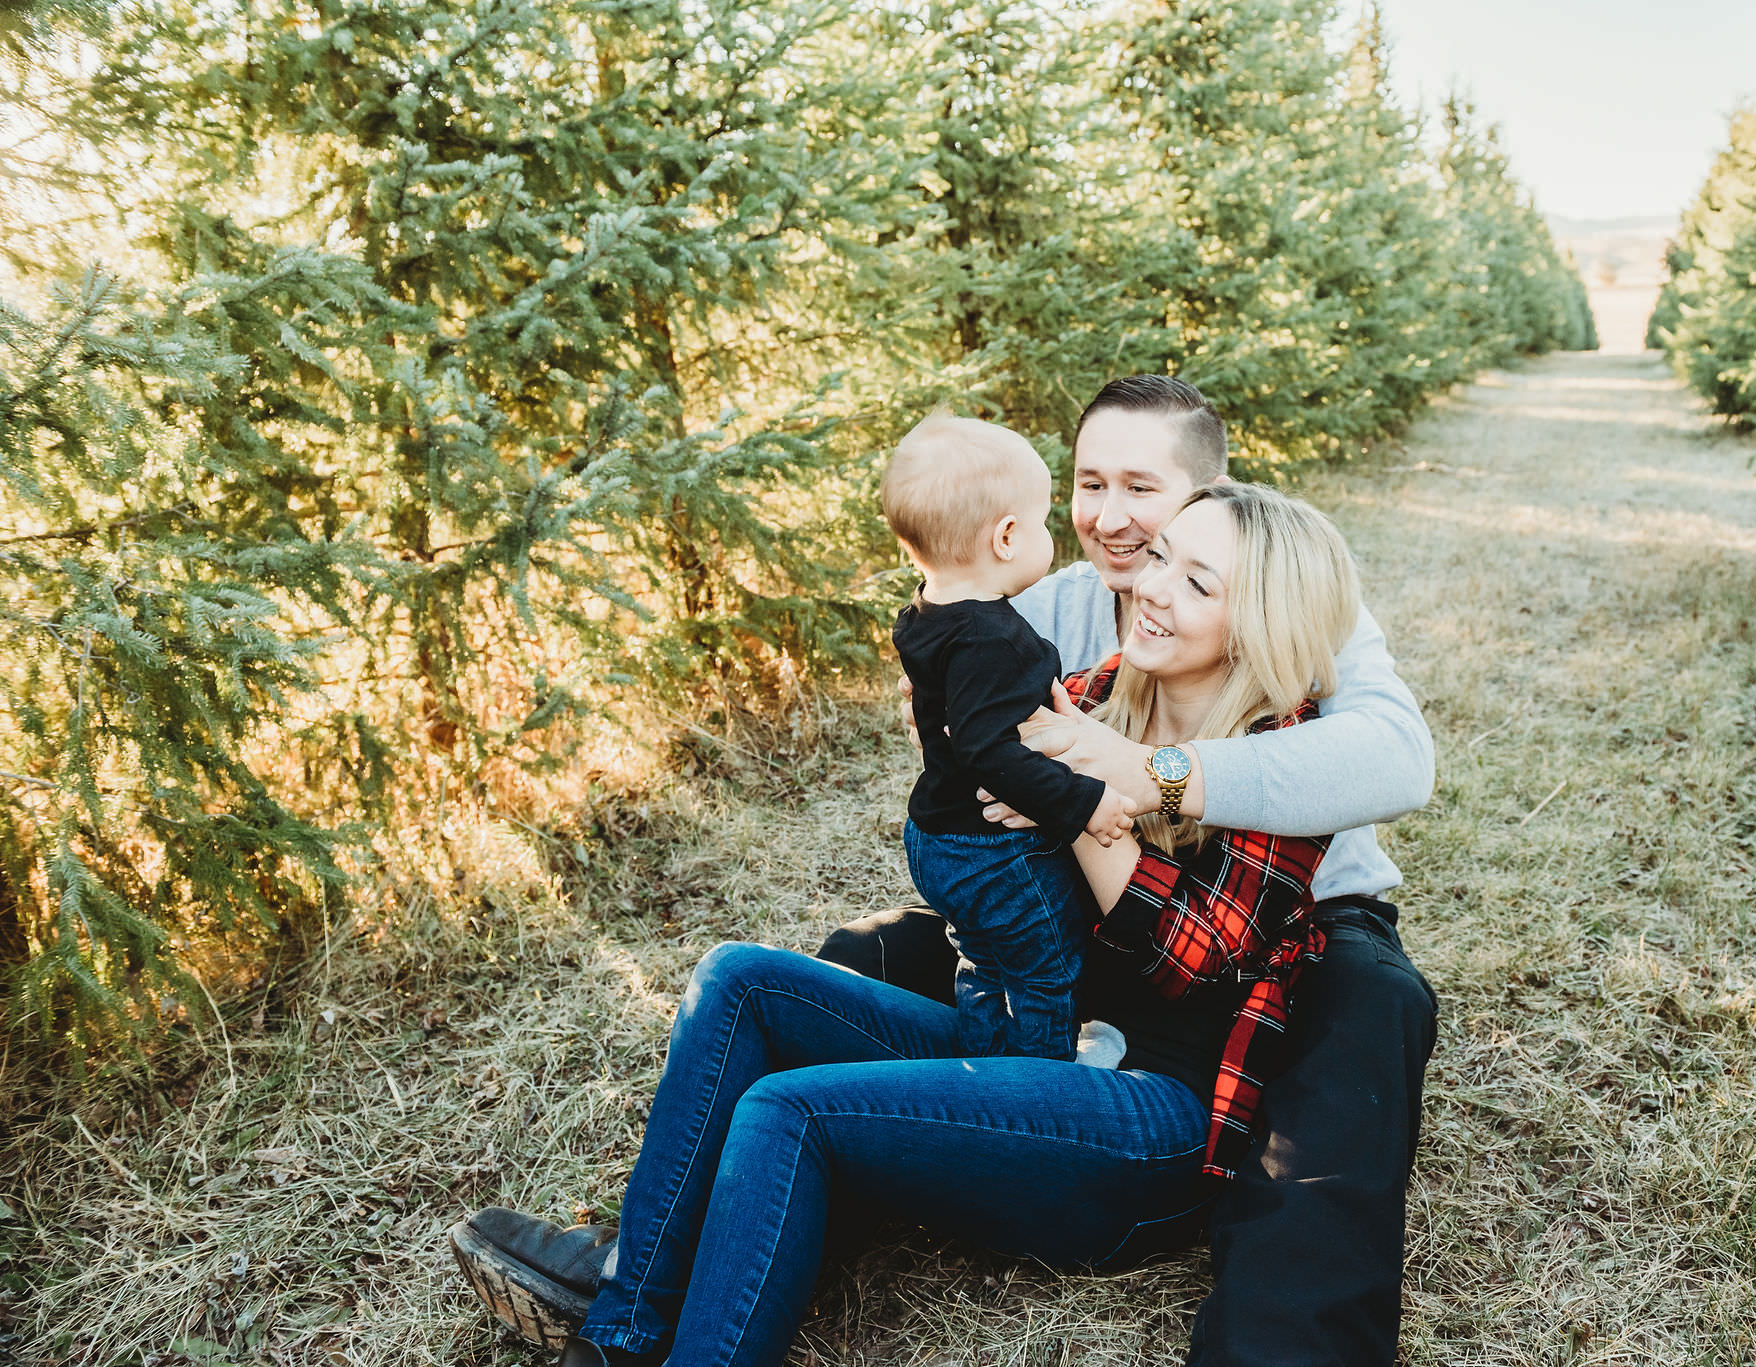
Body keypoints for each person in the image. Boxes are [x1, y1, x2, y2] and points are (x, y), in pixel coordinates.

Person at [449, 375, 1440, 1367]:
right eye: (1088, 483)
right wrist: (1027, 773)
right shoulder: (1077, 638)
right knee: (757, 977)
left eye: (1144, 492)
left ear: (1205, 497)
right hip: (1068, 996)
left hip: (1206, 1031)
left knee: (1360, 1031)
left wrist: (1116, 787)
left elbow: (1362, 788)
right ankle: (630, 1299)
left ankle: (1280, 1344)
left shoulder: (1295, 649)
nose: (1119, 535)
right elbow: (962, 720)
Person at [882, 411, 1134, 1061]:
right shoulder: (996, 638)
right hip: (992, 851)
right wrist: (1084, 800)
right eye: (1046, 521)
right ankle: (1040, 1092)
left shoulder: (924, 613)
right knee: (1045, 972)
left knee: (983, 963)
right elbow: (987, 748)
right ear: (1006, 536)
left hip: (932, 835)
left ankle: (982, 1063)